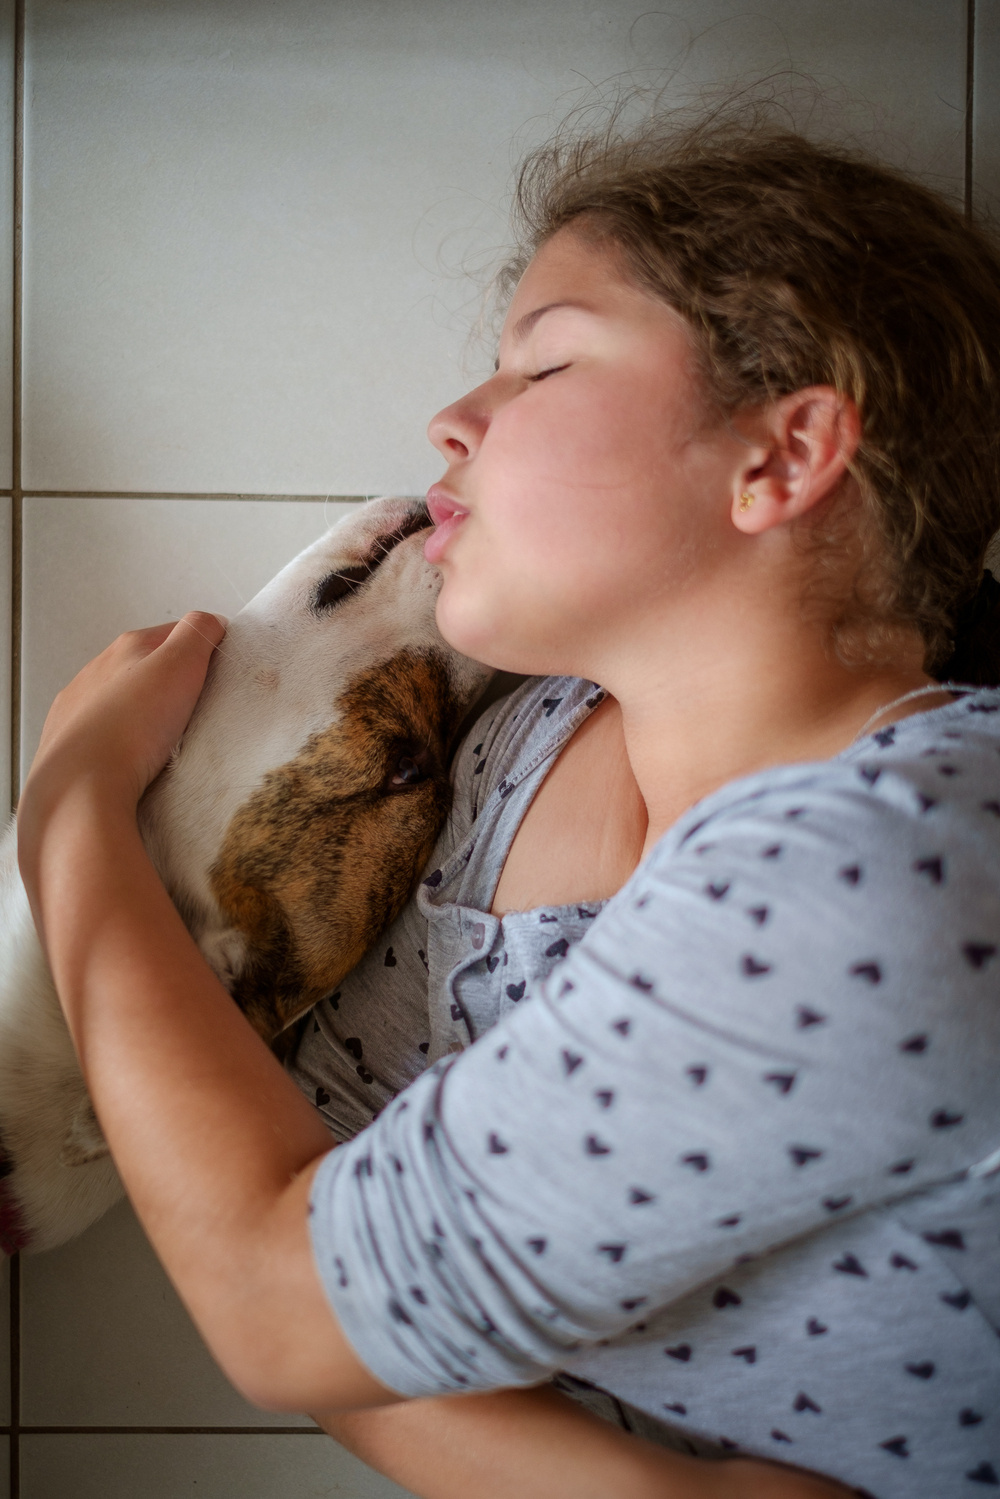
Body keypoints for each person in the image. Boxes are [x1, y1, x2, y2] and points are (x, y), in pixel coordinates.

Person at [16, 111, 1000, 1499]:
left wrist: (70, 812)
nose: (453, 421)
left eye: (541, 363)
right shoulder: (516, 734)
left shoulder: (880, 868)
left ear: (781, 456)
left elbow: (284, 1305)